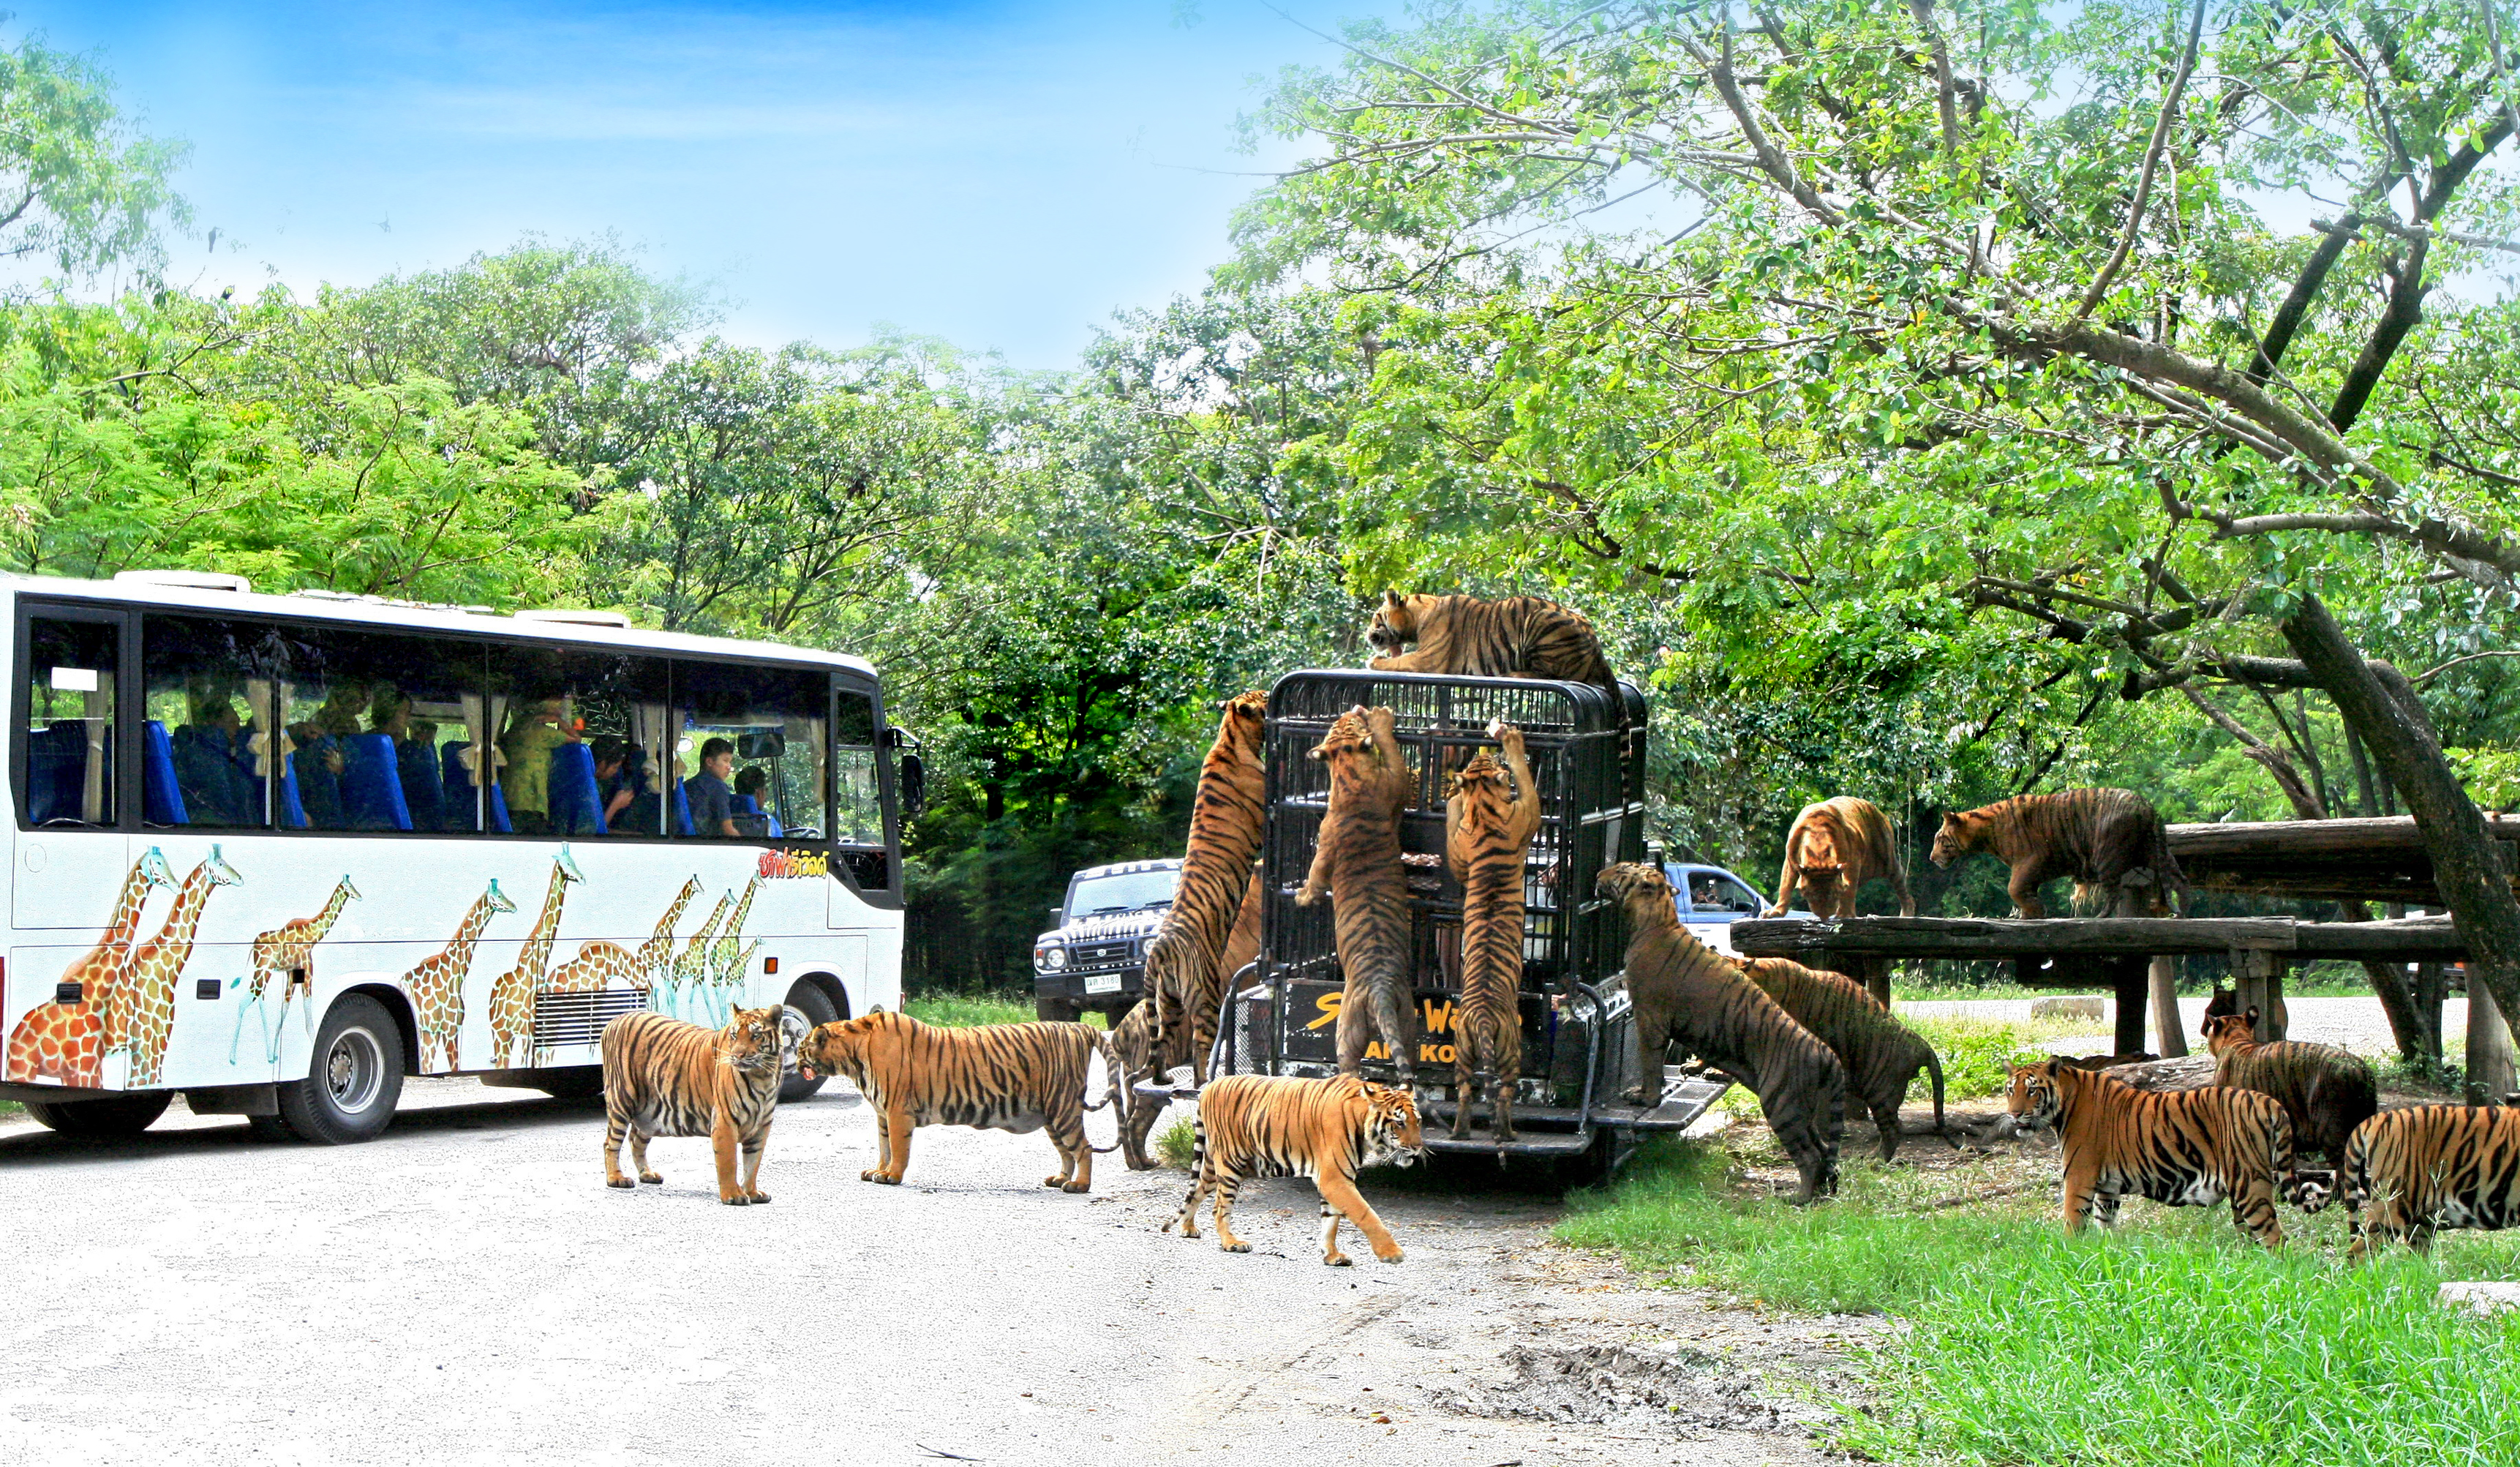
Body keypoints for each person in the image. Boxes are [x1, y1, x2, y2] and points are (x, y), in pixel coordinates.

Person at [500, 695, 578, 836]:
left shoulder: (516, 728)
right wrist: (560, 722)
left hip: (509, 796)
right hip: (531, 801)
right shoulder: (543, 732)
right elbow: (576, 739)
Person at [682, 736, 739, 838]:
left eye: (730, 762)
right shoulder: (718, 787)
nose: (729, 767)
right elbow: (728, 830)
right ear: (709, 762)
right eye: (725, 761)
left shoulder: (686, 785)